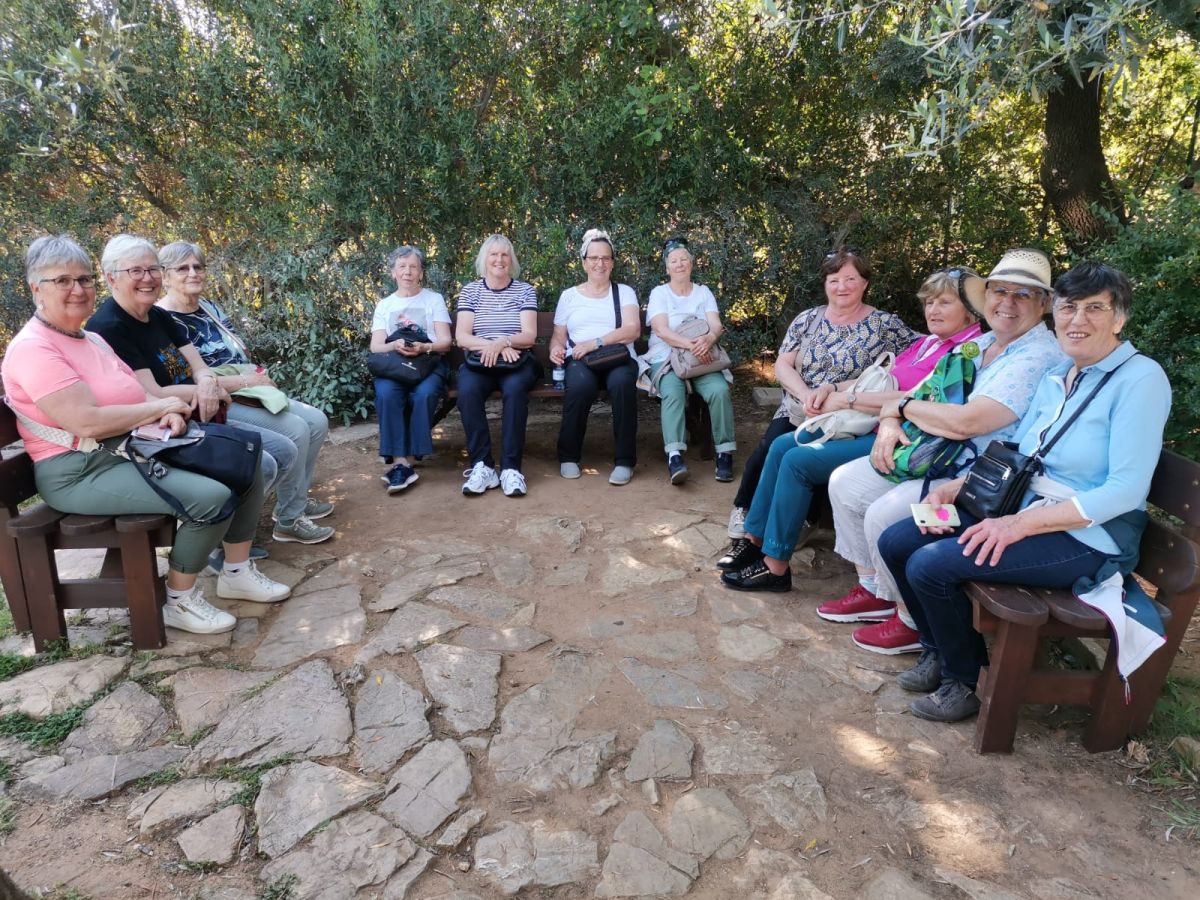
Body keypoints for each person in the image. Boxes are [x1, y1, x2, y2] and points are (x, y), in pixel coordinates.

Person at [875, 261, 1170, 722]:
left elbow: (1126, 491)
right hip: (1019, 507)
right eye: (1069, 308)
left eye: (1095, 308)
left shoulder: (1140, 379)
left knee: (931, 564)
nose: (1078, 320)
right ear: (1056, 312)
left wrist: (1019, 525)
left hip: (1086, 536)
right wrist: (957, 486)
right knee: (897, 540)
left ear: (1119, 318)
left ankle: (963, 680)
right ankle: (938, 649)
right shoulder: (1061, 374)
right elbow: (1021, 452)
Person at [1, 235, 290, 636]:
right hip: (78, 469)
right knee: (210, 498)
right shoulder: (34, 349)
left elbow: (137, 393)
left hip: (129, 446)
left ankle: (237, 573)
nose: (78, 289)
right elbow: (86, 422)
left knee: (245, 459)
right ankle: (180, 600)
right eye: (62, 280)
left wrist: (163, 414)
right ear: (36, 289)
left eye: (83, 279)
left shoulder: (91, 340)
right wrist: (159, 409)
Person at [821, 248, 1066, 654]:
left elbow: (969, 422)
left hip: (977, 481)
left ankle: (909, 619)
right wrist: (889, 424)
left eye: (1023, 294)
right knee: (846, 482)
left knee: (885, 514)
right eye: (1000, 291)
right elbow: (919, 392)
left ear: (1043, 304)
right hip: (934, 455)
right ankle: (875, 589)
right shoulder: (981, 345)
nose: (1007, 303)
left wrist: (900, 410)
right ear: (985, 297)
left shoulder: (1038, 355)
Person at [722, 267, 983, 592]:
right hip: (873, 423)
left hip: (905, 441)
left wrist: (849, 399)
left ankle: (775, 567)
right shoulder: (928, 343)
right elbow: (881, 376)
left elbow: (915, 399)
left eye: (944, 302)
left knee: (797, 461)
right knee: (781, 445)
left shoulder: (965, 353)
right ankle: (755, 540)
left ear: (971, 309)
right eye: (929, 302)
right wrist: (832, 388)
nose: (933, 310)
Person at [718, 247, 920, 562]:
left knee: (806, 457)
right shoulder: (808, 319)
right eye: (834, 279)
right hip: (800, 407)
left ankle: (802, 521)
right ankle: (745, 513)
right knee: (770, 447)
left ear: (865, 282)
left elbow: (920, 356)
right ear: (825, 283)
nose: (842, 286)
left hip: (849, 414)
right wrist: (804, 395)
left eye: (850, 279)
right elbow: (783, 363)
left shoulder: (885, 324)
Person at [156, 241, 336, 543]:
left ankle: (293, 503)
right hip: (217, 401)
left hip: (247, 387)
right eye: (182, 268)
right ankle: (290, 520)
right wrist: (245, 382)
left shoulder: (209, 308)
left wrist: (255, 376)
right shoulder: (161, 320)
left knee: (316, 421)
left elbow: (236, 352)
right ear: (165, 276)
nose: (193, 273)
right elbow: (182, 381)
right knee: (296, 429)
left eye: (198, 266)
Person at [550, 228, 642, 486]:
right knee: (580, 387)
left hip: (618, 357)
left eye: (605, 258)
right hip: (580, 361)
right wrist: (555, 349)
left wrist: (595, 342)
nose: (599, 263)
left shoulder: (624, 292)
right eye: (594, 258)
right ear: (584, 262)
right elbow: (558, 336)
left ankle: (624, 461)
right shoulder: (569, 296)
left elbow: (632, 330)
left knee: (622, 385)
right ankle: (568, 456)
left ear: (612, 263)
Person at [642, 237, 736, 484]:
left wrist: (709, 339)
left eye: (684, 259)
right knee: (672, 392)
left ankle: (725, 452)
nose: (679, 264)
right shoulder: (659, 293)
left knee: (718, 390)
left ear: (691, 264)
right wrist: (691, 345)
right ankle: (675, 456)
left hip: (702, 357)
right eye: (674, 261)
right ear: (667, 268)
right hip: (667, 356)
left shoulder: (703, 292)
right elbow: (661, 330)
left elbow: (716, 325)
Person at [454, 234, 540, 497]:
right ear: (484, 259)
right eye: (494, 254)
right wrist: (494, 347)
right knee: (468, 391)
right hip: (480, 362)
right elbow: (462, 337)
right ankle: (483, 466)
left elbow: (529, 336)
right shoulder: (470, 291)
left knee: (515, 391)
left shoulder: (525, 291)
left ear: (511, 260)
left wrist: (503, 342)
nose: (499, 260)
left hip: (517, 362)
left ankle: (511, 469)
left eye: (504, 255)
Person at [367, 246, 453, 494]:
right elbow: (376, 346)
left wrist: (425, 347)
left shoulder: (433, 299)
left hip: (428, 362)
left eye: (413, 267)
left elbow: (445, 342)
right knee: (386, 394)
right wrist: (394, 345)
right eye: (402, 267)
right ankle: (399, 461)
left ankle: (410, 458)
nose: (408, 272)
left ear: (421, 273)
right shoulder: (385, 305)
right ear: (393, 273)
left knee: (424, 394)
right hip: (394, 365)